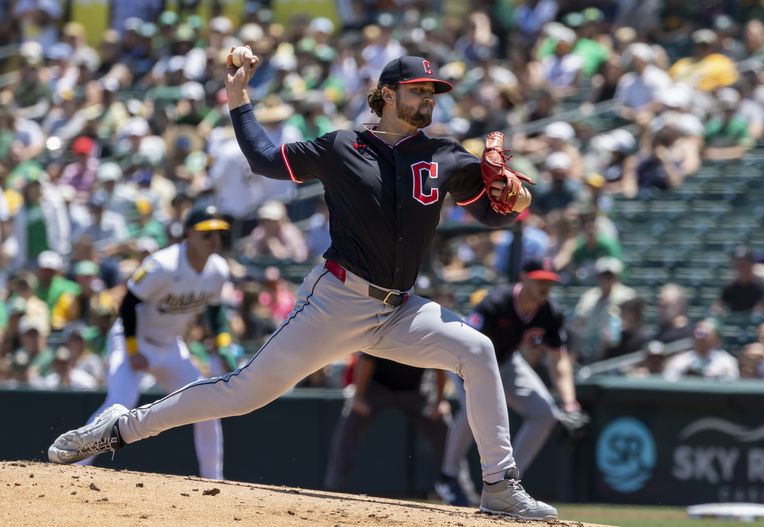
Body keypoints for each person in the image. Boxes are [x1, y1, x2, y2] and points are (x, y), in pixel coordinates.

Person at [48, 53, 557, 520]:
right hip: (336, 301)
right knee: (242, 392)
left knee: (478, 349)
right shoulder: (342, 146)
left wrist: (510, 201)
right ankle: (120, 427)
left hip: (400, 309)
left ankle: (499, 485)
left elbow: (494, 212)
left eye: (433, 92)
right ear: (385, 94)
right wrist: (238, 99)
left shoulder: (445, 153)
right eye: (418, 89)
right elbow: (264, 160)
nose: (428, 98)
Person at [57, 206, 233, 480]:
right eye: (206, 233)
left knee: (206, 404)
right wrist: (132, 350)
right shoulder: (163, 264)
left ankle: (215, 479)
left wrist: (222, 343)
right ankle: (75, 466)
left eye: (218, 233)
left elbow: (215, 312)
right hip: (134, 339)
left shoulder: (218, 270)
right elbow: (128, 304)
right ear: (188, 234)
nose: (214, 240)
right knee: (119, 404)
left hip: (170, 345)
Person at [435, 259, 580, 506]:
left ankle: (507, 484)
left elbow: (559, 359)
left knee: (545, 414)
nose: (545, 286)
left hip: (506, 362)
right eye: (539, 280)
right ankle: (448, 476)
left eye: (549, 281)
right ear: (523, 278)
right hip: (465, 359)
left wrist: (570, 402)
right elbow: (469, 340)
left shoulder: (549, 312)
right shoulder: (496, 302)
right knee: (475, 410)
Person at [323, 354, 449, 492]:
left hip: (417, 388)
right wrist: (358, 397)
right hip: (377, 386)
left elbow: (439, 364)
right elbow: (366, 359)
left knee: (444, 427)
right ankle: (334, 486)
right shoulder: (383, 332)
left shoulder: (426, 334)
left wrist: (440, 400)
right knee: (351, 419)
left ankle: (458, 487)